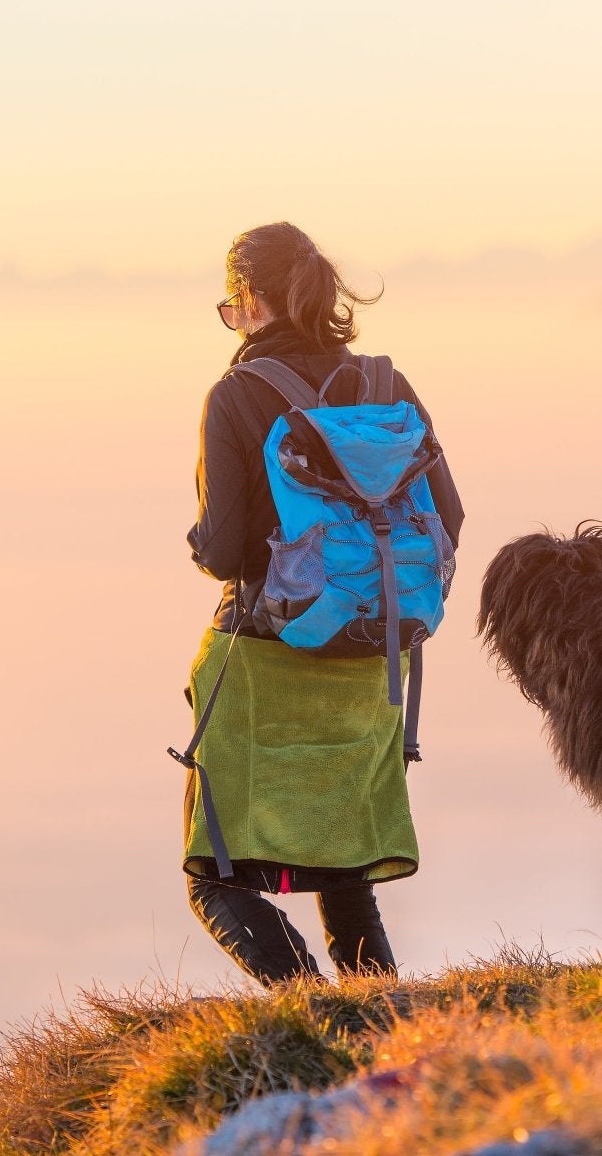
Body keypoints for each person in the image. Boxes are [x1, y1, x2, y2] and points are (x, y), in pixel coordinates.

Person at [182, 222, 464, 984]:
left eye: (232, 306)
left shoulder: (237, 396)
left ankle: (309, 1009)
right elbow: (451, 519)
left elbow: (226, 553)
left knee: (214, 873)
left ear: (251, 300)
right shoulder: (385, 387)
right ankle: (377, 1019)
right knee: (346, 876)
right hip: (372, 665)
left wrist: (198, 536)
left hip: (265, 664)